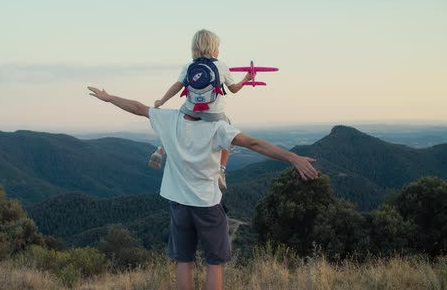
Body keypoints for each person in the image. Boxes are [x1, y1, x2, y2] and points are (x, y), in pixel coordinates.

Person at [87, 86, 318, 290]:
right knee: (214, 263)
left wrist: (109, 98)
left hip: (178, 205)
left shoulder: (169, 119)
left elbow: (137, 107)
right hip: (207, 205)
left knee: (184, 261)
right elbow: (255, 144)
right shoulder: (218, 127)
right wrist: (292, 158)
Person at [150, 29, 252, 192]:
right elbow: (234, 90)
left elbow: (177, 86)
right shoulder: (222, 66)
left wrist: (161, 101)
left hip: (190, 111)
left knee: (176, 123)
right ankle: (221, 171)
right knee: (229, 133)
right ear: (213, 48)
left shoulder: (189, 66)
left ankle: (160, 150)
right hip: (214, 115)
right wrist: (246, 79)